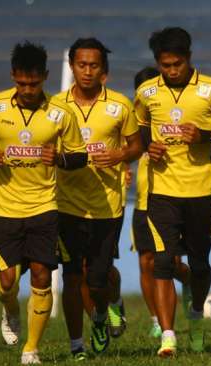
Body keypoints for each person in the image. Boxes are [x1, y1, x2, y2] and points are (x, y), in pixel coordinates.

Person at [0, 41, 87, 364]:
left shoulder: (61, 113)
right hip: (3, 208)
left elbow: (80, 156)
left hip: (44, 207)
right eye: (21, 83)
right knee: (6, 284)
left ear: (45, 77)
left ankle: (31, 348)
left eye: (33, 83)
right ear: (13, 76)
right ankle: (9, 309)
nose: (28, 89)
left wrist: (58, 157)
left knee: (42, 276)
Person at [134, 27, 211, 357]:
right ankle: (168, 336)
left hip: (201, 191)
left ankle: (198, 321)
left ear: (189, 57)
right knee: (162, 261)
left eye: (177, 63)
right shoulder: (146, 92)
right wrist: (150, 146)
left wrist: (202, 135)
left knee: (199, 264)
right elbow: (141, 128)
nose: (172, 70)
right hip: (162, 191)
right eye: (165, 64)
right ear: (158, 62)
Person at [54, 37, 141, 360]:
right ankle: (77, 345)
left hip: (107, 203)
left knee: (99, 277)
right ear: (72, 66)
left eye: (93, 65)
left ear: (103, 69)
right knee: (72, 276)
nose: (87, 71)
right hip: (67, 204)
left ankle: (103, 314)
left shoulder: (120, 105)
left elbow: (136, 145)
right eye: (81, 65)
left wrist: (120, 155)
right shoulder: (56, 106)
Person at [131, 66, 191, 339]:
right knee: (146, 262)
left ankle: (189, 281)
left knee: (170, 263)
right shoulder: (133, 122)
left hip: (170, 199)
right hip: (143, 204)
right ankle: (156, 319)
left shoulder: (174, 121)